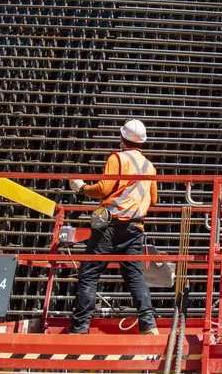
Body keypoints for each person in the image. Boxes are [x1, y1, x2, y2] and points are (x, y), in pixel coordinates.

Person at [67, 119, 159, 335]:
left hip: (109, 226)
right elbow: (153, 200)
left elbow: (103, 189)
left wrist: (82, 188)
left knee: (89, 274)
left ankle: (80, 329)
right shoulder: (150, 166)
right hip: (136, 228)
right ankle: (148, 325)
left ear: (122, 139)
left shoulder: (117, 158)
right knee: (134, 274)